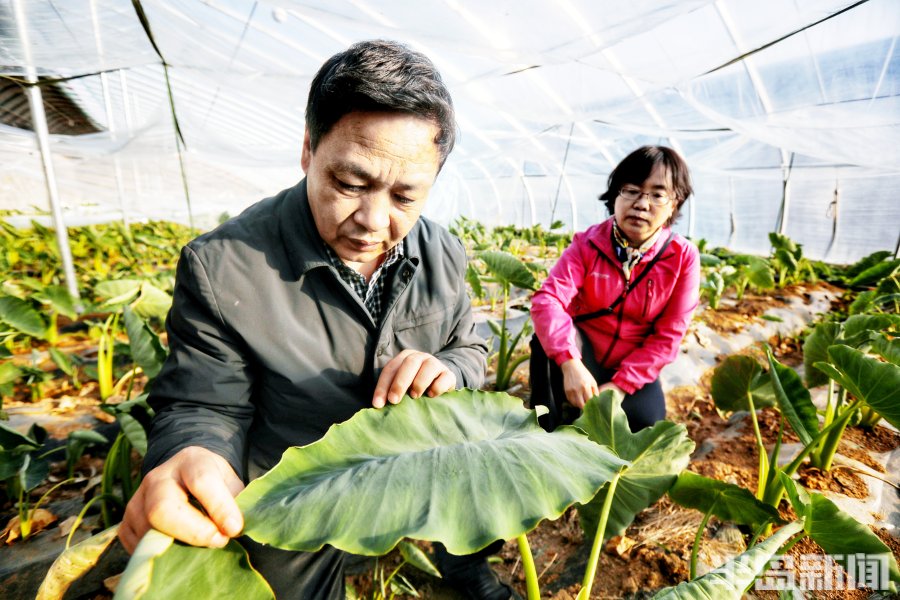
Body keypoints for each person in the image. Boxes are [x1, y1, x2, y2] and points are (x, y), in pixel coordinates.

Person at [118, 40, 518, 600]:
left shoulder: (444, 252)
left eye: (405, 197)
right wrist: (194, 456)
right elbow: (205, 405)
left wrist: (449, 369)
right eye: (350, 184)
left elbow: (468, 347)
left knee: (482, 473)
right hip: (297, 485)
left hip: (417, 457)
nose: (373, 221)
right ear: (308, 149)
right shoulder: (222, 265)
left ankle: (465, 566)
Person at [530, 145, 700, 432]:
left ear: (674, 204)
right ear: (615, 195)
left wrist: (620, 387)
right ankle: (543, 431)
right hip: (584, 355)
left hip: (633, 364)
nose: (642, 204)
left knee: (645, 425)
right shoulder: (587, 244)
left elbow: (668, 336)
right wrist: (570, 363)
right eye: (631, 190)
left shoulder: (682, 257)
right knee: (543, 345)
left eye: (657, 195)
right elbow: (548, 300)